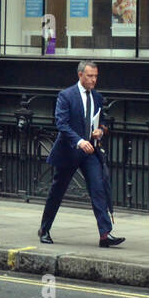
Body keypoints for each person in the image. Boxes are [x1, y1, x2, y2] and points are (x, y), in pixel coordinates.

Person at [38, 61, 124, 247]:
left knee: (98, 188)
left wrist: (100, 131)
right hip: (70, 151)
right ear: (80, 75)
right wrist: (79, 141)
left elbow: (103, 122)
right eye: (90, 76)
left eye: (95, 76)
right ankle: (44, 229)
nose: (93, 80)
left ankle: (105, 234)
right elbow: (62, 124)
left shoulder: (98, 97)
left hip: (90, 152)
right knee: (57, 192)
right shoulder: (66, 96)